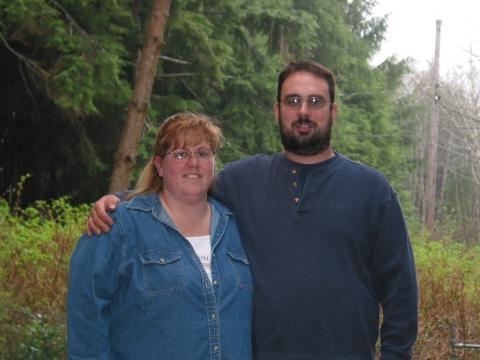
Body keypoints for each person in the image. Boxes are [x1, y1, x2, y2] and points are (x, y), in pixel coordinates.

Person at [87, 61, 418, 359]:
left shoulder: (372, 191)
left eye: (316, 101)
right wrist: (119, 201)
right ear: (277, 111)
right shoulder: (242, 180)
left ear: (333, 112)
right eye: (293, 101)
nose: (304, 111)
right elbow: (182, 187)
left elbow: (401, 292)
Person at [68, 112, 253, 360]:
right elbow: (86, 315)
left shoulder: (236, 227)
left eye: (202, 153)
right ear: (159, 165)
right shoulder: (118, 226)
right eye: (180, 154)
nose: (193, 162)